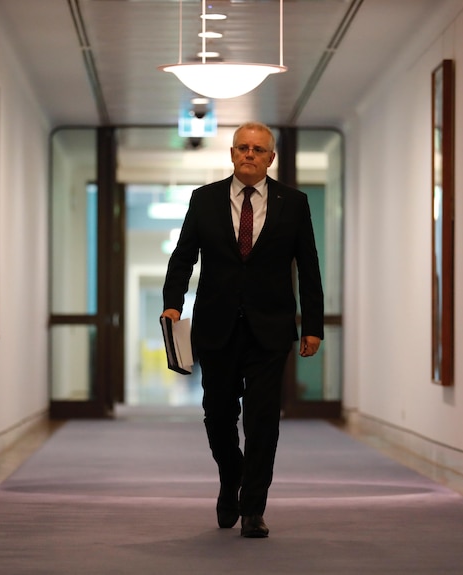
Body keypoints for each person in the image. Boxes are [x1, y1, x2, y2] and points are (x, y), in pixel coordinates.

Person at [161, 121, 324, 538]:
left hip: (270, 329)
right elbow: (183, 257)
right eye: (242, 148)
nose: (249, 155)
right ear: (232, 155)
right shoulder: (204, 200)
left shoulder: (294, 203)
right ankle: (230, 476)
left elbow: (308, 267)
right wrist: (172, 305)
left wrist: (314, 325)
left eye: (258, 149)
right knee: (217, 415)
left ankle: (253, 508)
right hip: (217, 328)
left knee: (263, 419)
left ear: (271, 158)